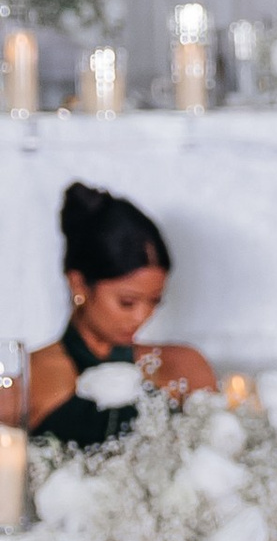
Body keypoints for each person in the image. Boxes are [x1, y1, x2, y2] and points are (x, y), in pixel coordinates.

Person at [28, 182, 216, 444]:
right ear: (79, 284)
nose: (142, 317)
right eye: (127, 302)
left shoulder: (184, 366)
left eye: (155, 301)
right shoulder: (26, 376)